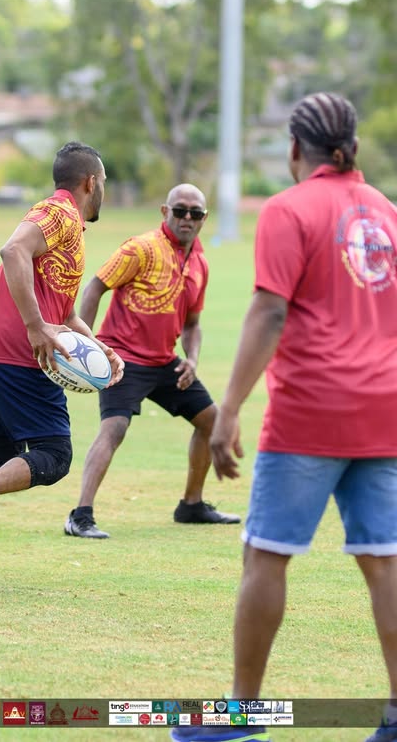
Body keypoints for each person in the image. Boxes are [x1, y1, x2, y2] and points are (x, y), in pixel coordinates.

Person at [171, 92, 397, 742]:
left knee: (265, 556)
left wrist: (230, 407)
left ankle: (240, 712)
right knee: (384, 560)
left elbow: (269, 312)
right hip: (383, 412)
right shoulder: (385, 212)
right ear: (349, 145)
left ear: (296, 150)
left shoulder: (288, 209)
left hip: (311, 412)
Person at [0, 141, 124, 582]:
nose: (103, 189)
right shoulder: (59, 212)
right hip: (18, 348)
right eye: (103, 182)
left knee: (3, 453)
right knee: (54, 453)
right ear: (90, 182)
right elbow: (12, 250)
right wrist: (35, 326)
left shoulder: (71, 231)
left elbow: (65, 315)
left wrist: (101, 348)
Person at [64, 182, 241, 539]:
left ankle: (191, 505)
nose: (187, 218)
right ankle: (79, 515)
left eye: (196, 213)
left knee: (212, 421)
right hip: (123, 358)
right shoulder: (140, 249)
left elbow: (192, 325)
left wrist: (191, 359)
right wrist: (89, 344)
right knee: (114, 428)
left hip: (165, 363)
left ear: (205, 219)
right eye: (180, 211)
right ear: (165, 211)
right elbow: (95, 287)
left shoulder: (200, 264)